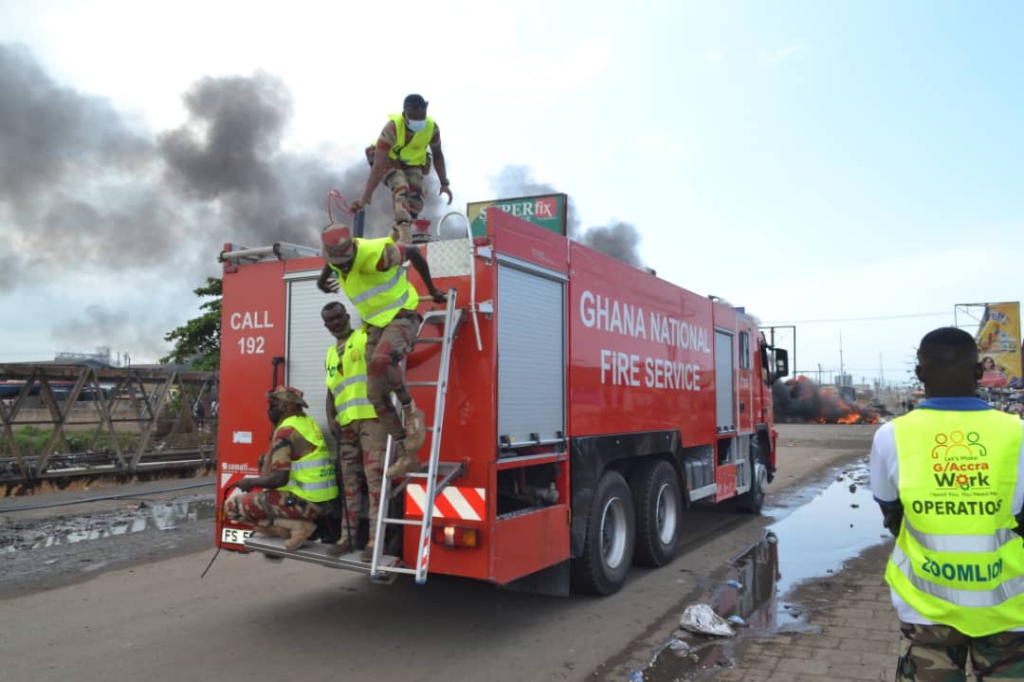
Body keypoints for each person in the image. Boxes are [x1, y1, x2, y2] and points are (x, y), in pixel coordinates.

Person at [870, 327, 1024, 680]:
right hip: (1008, 610)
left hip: (927, 610)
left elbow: (892, 514)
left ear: (919, 373)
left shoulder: (891, 436)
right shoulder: (1018, 433)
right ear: (979, 372)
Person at [317, 222, 447, 480]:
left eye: (345, 262)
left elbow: (415, 254)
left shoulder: (378, 255)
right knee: (375, 394)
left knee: (380, 362)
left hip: (401, 315)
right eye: (337, 263)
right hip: (375, 323)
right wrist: (322, 281)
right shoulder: (336, 259)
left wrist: (432, 291)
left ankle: (410, 410)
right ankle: (406, 452)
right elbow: (331, 265)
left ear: (353, 247)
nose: (342, 267)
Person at [223, 386, 339, 551]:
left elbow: (279, 478)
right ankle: (291, 527)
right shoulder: (306, 422)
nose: (268, 409)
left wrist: (249, 482)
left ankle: (297, 527)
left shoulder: (286, 431)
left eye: (273, 404)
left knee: (231, 507)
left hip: (304, 502)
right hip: (323, 501)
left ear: (286, 406)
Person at [321, 301, 387, 562]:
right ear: (326, 325)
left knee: (374, 482)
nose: (336, 322)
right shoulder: (328, 353)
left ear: (347, 317)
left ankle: (373, 541)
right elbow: (331, 389)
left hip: (372, 420)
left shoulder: (364, 338)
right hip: (346, 425)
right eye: (330, 320)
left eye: (339, 317)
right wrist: (331, 418)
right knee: (349, 484)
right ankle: (346, 539)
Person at [351, 94, 452, 243]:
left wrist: (444, 183)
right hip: (385, 159)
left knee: (417, 201)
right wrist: (366, 196)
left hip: (410, 163)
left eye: (421, 119)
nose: (419, 122)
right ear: (405, 115)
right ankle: (405, 232)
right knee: (401, 186)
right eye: (414, 119)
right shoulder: (392, 128)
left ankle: (391, 239)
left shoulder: (432, 128)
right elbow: (378, 166)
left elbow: (437, 154)